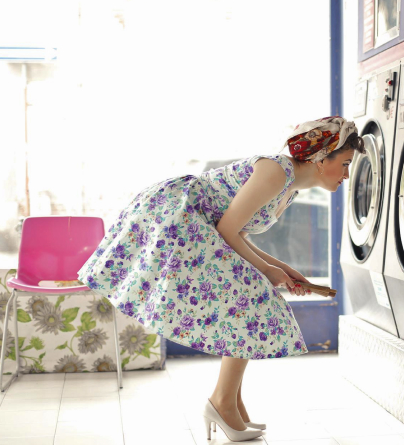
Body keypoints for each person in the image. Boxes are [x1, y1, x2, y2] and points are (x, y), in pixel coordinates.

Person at [77, 116, 365, 441]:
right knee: (251, 303)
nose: (346, 174)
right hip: (181, 217)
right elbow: (227, 230)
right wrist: (268, 271)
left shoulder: (288, 187)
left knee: (249, 303)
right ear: (320, 157)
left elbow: (237, 230)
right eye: (344, 164)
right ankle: (223, 402)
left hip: (199, 225)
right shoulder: (276, 172)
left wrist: (281, 269)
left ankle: (231, 402)